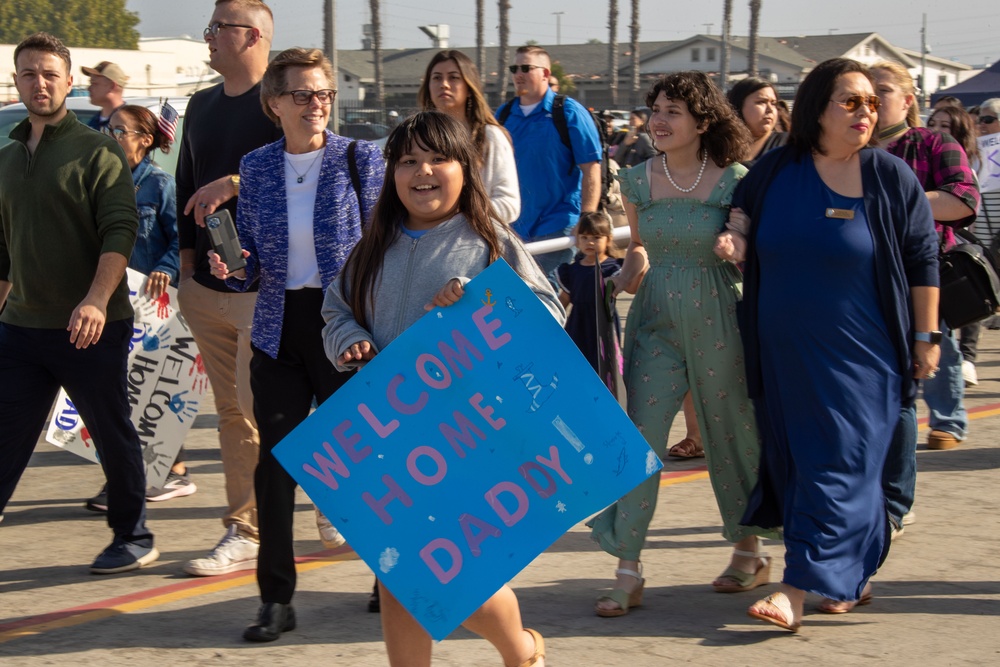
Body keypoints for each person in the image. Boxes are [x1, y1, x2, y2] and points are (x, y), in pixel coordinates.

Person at [322, 110, 557, 667]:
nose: (422, 171)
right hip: (390, 436)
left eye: (437, 158)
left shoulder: (487, 238)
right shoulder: (372, 244)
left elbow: (547, 311)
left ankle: (520, 649)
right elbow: (335, 309)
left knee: (453, 576)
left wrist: (479, 299)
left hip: (466, 438)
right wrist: (350, 339)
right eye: (408, 161)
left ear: (466, 169)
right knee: (396, 571)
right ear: (392, 174)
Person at [716, 58, 939, 630]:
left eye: (871, 103)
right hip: (786, 353)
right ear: (817, 107)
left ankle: (794, 586)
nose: (866, 112)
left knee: (838, 462)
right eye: (851, 101)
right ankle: (844, 574)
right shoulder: (776, 172)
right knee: (808, 465)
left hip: (866, 355)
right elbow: (739, 211)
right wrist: (735, 238)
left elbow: (922, 260)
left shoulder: (891, 178)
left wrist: (926, 335)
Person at [208, 47, 384, 642]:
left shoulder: (361, 159)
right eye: (304, 95)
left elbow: (384, 242)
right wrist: (235, 268)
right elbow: (255, 257)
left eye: (325, 94)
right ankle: (275, 599)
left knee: (363, 463)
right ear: (274, 103)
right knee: (276, 467)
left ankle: (389, 578)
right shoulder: (255, 166)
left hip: (344, 328)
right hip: (278, 327)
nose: (317, 105)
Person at [587, 72, 778, 618]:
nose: (660, 120)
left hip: (721, 314)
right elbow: (641, 250)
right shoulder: (638, 180)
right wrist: (619, 280)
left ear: (702, 120)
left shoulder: (736, 178)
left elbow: (744, 237)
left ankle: (749, 550)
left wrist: (732, 242)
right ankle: (628, 567)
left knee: (730, 432)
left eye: (674, 110)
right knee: (640, 436)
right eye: (656, 109)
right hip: (656, 322)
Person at [0, 32, 157, 573]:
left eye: (49, 73)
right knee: (5, 433)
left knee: (110, 431)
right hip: (20, 326)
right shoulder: (6, 158)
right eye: (28, 73)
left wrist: (94, 300)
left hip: (89, 326)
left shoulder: (98, 150)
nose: (38, 83)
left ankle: (133, 535)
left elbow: (120, 229)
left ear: (69, 83)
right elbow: (3, 246)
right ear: (15, 80)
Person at [175, 0, 282, 577]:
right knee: (232, 412)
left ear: (254, 36)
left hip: (266, 290)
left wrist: (237, 182)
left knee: (255, 407)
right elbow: (185, 187)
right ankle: (245, 526)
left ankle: (261, 523)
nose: (209, 36)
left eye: (219, 27)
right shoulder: (199, 105)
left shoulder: (283, 100)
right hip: (207, 292)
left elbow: (309, 169)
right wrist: (190, 272)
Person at [871, 60, 979, 469]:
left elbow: (963, 200)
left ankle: (948, 420)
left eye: (883, 91)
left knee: (939, 346)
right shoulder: (845, 151)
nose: (872, 101)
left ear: (907, 99)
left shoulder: (933, 143)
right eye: (864, 92)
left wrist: (897, 200)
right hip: (861, 274)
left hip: (924, 269)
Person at [84, 103, 192, 511]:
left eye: (119, 131)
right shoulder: (101, 184)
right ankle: (153, 472)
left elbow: (180, 239)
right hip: (109, 302)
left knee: (141, 393)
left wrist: (166, 269)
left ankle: (152, 475)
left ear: (145, 141)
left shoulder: (159, 185)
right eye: (107, 129)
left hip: (151, 308)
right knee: (116, 395)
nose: (110, 137)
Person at [496, 45, 602, 287]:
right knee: (515, 300)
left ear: (545, 73)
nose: (518, 74)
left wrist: (586, 217)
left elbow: (591, 169)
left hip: (557, 224)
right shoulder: (503, 115)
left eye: (526, 68)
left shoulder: (568, 111)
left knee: (543, 297)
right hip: (513, 228)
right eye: (515, 68)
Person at [418, 49, 520, 223]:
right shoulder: (415, 138)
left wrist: (457, 216)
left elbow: (509, 205)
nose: (444, 84)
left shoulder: (491, 136)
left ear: (469, 86)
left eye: (453, 77)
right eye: (436, 78)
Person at [927, 104, 984, 387]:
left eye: (945, 126)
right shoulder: (921, 153)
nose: (936, 130)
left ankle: (949, 420)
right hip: (924, 256)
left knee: (944, 335)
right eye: (933, 123)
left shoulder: (965, 168)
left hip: (948, 255)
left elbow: (965, 209)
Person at [556, 210, 622, 372]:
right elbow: (564, 299)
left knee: (605, 368)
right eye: (584, 237)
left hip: (603, 324)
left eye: (596, 238)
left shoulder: (613, 268)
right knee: (578, 367)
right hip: (578, 325)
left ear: (608, 239)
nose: (590, 242)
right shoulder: (571, 271)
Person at [727, 76, 788, 164]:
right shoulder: (722, 147)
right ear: (738, 106)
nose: (770, 109)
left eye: (773, 103)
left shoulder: (787, 144)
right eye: (761, 102)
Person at [82, 60, 127, 133]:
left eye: (94, 83)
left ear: (112, 86)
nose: (89, 88)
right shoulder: (94, 121)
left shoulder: (128, 123)